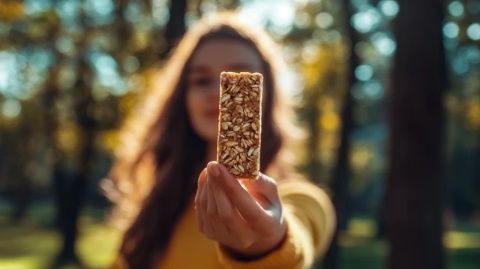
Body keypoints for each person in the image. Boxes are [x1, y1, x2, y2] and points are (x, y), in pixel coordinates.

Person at [103, 12, 335, 269]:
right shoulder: (157, 208)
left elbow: (294, 241)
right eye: (201, 80)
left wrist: (266, 239)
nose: (218, 92)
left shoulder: (304, 200)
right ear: (183, 97)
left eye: (239, 78)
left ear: (267, 95)